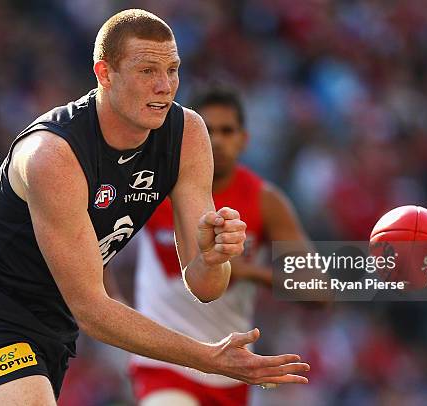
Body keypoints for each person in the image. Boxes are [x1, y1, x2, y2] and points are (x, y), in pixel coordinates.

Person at [0, 9, 309, 406]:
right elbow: (93, 310)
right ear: (104, 73)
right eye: (147, 71)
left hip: (55, 323)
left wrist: (215, 257)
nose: (165, 86)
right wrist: (207, 358)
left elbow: (205, 286)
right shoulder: (54, 155)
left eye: (173, 69)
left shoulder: (188, 134)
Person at [126, 86, 311, 406]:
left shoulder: (265, 202)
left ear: (244, 139)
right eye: (207, 130)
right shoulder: (151, 186)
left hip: (233, 371)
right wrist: (109, 300)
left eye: (227, 131)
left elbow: (319, 290)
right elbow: (93, 236)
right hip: (164, 366)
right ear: (189, 137)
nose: (217, 140)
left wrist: (246, 271)